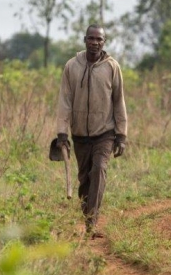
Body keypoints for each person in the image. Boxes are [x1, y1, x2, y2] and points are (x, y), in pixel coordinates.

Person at [55, 24, 128, 238]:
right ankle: (87, 217)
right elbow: (64, 101)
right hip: (79, 136)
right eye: (91, 38)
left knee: (98, 170)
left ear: (104, 43)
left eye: (99, 39)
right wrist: (62, 133)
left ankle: (92, 222)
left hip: (105, 133)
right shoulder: (71, 66)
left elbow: (119, 101)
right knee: (84, 181)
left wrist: (121, 135)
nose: (95, 42)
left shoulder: (112, 67)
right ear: (84, 40)